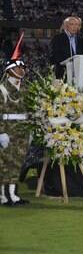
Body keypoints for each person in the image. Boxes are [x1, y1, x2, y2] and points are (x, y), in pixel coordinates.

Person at [0, 59, 30, 206]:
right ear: (9, 70)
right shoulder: (2, 89)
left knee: (17, 163)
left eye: (23, 68)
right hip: (7, 130)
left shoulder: (25, 89)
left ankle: (12, 194)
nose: (22, 70)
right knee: (5, 163)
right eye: (18, 68)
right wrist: (1, 133)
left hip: (22, 131)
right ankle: (4, 196)